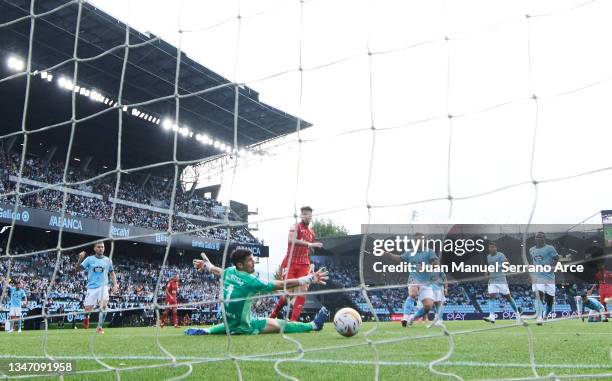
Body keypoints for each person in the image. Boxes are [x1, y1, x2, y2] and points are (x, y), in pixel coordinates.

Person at [186, 249, 329, 335]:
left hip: (229, 324)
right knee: (280, 324)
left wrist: (206, 264)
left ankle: (208, 330)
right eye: (249, 260)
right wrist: (309, 278)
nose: (253, 262)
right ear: (240, 265)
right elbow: (282, 284)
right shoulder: (251, 281)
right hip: (246, 327)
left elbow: (216, 270)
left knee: (230, 326)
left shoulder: (229, 272)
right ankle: (313, 325)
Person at [269, 206, 323, 321]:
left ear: (311, 216)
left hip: (304, 264)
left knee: (303, 291)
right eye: (304, 214)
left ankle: (293, 321)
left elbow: (306, 251)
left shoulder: (311, 233)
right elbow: (291, 240)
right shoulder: (295, 226)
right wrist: (310, 244)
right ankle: (272, 316)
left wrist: (311, 266)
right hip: (290, 263)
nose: (306, 216)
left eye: (308, 214)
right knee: (288, 293)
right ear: (301, 215)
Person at [381, 233, 438, 327]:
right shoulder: (410, 252)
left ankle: (412, 318)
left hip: (427, 282)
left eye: (420, 239)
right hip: (414, 278)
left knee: (428, 306)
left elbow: (436, 264)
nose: (418, 241)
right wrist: (388, 254)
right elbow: (400, 258)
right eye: (417, 240)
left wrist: (426, 267)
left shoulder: (429, 252)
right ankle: (405, 318)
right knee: (413, 293)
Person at [76, 242, 119, 334]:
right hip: (91, 288)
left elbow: (112, 273)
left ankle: (99, 327)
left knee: (104, 307)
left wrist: (115, 285)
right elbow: (78, 269)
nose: (101, 249)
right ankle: (86, 317)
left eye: (102, 247)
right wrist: (80, 259)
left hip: (104, 287)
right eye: (98, 247)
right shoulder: (89, 259)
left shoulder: (108, 260)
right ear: (95, 249)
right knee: (87, 310)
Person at [484, 242, 522, 324]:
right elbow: (490, 266)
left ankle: (517, 314)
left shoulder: (500, 255)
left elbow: (507, 264)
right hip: (492, 280)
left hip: (501, 280)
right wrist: (487, 271)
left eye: (492, 247)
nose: (491, 249)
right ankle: (492, 316)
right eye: (490, 247)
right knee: (491, 297)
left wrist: (498, 266)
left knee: (508, 297)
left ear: (496, 248)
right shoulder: (488, 257)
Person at [529, 232, 559, 325]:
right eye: (536, 237)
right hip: (537, 277)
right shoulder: (531, 250)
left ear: (544, 238)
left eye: (540, 237)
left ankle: (545, 315)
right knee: (538, 295)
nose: (538, 239)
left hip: (549, 277)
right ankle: (539, 317)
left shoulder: (550, 248)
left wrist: (551, 266)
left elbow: (556, 259)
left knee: (549, 302)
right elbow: (533, 262)